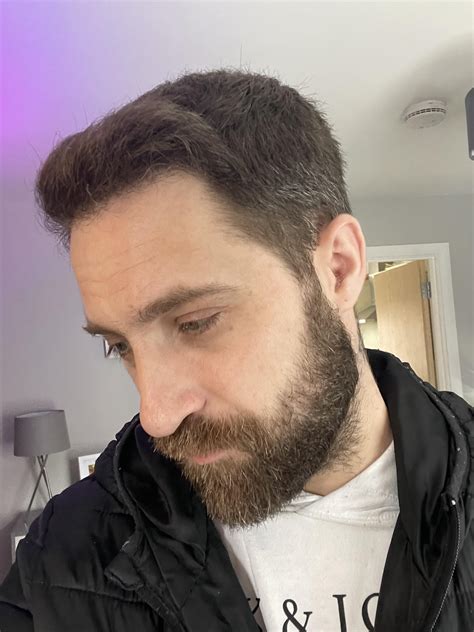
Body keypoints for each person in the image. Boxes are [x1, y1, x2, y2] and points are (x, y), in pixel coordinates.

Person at [0, 69, 472, 632]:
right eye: (119, 346)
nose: (156, 416)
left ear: (338, 268)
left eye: (195, 322)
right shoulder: (62, 559)